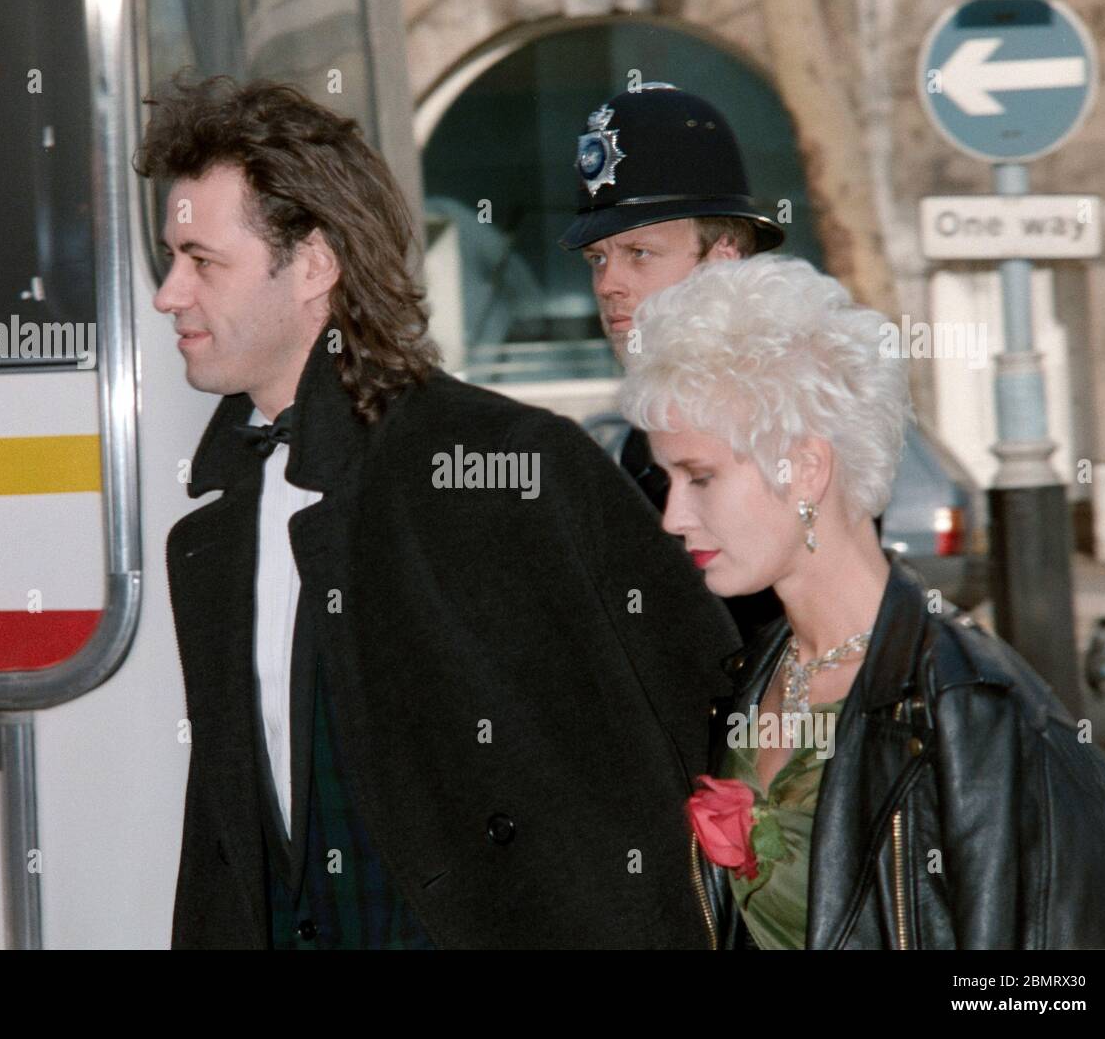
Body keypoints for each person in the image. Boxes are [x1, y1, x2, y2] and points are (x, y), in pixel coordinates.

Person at [136, 75, 741, 949]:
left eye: (201, 261)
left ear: (314, 263)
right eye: (170, 258)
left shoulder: (509, 468)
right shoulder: (210, 534)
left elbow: (686, 747)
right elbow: (227, 850)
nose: (168, 294)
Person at [620, 254, 1105, 949]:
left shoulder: (985, 717)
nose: (672, 515)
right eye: (668, 479)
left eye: (699, 477)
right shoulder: (745, 679)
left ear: (804, 468)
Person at [559, 84, 784, 640]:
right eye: (597, 259)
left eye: (640, 253)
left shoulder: (787, 415)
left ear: (723, 257)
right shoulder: (647, 432)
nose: (609, 284)